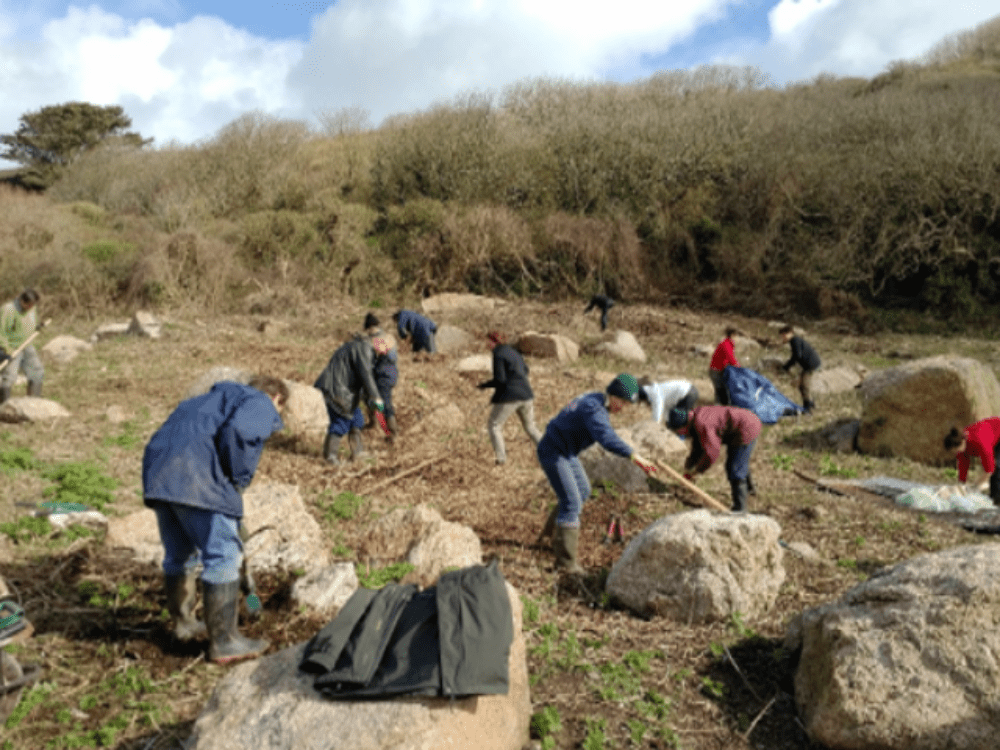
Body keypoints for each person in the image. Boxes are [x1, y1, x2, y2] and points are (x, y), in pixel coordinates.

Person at [142, 375, 288, 664]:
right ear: (276, 398)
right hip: (197, 478)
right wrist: (237, 480)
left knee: (180, 554)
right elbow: (241, 431)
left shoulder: (202, 402)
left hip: (160, 476)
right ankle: (225, 641)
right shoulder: (258, 401)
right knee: (224, 555)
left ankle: (184, 624)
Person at [536, 374, 656, 572]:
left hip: (566, 452)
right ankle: (566, 563)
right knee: (572, 501)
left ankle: (550, 538)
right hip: (554, 451)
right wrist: (634, 456)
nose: (623, 407)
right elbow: (606, 437)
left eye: (627, 404)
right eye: (622, 402)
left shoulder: (597, 400)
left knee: (583, 491)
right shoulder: (593, 408)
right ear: (613, 394)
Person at [668, 405, 761, 513]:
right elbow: (698, 447)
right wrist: (689, 468)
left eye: (677, 431)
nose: (678, 433)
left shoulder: (703, 424)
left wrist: (698, 470)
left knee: (735, 467)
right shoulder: (696, 418)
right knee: (739, 461)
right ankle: (749, 489)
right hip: (742, 424)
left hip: (747, 427)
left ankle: (740, 508)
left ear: (683, 426)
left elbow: (711, 453)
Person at [314, 335, 387, 465]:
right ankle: (330, 456)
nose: (385, 351)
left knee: (357, 420)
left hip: (346, 391)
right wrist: (376, 397)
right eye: (384, 347)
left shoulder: (362, 349)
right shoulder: (364, 348)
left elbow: (362, 381)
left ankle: (357, 453)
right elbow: (366, 376)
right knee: (341, 422)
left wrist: (370, 403)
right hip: (337, 389)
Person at [478, 331, 543, 465]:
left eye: (487, 341)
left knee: (494, 425)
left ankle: (501, 459)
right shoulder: (514, 351)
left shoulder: (498, 354)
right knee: (531, 427)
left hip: (510, 397)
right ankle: (550, 450)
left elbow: (500, 380)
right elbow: (526, 370)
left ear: (493, 341)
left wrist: (484, 385)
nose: (485, 344)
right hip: (526, 394)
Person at [0, 289, 43, 403]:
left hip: (27, 344)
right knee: (9, 376)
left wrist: (36, 327)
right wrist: (7, 349)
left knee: (37, 371)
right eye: (28, 305)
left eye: (33, 305)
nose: (31, 307)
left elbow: (30, 321)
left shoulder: (32, 307)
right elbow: (1, 333)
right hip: (11, 347)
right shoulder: (8, 310)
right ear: (21, 301)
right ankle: (4, 406)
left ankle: (33, 403)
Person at [362, 313, 400, 442]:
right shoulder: (388, 336)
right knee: (368, 395)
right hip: (390, 372)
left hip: (384, 374)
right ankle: (373, 423)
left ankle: (393, 432)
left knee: (384, 402)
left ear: (370, 328)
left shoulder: (377, 340)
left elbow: (377, 353)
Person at [945, 419, 1000, 505]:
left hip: (997, 432)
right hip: (991, 435)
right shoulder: (961, 446)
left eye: (956, 450)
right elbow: (963, 467)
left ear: (962, 443)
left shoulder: (979, 442)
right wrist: (962, 487)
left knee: (997, 469)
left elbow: (990, 469)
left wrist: (975, 487)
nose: (955, 453)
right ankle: (994, 499)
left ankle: (997, 501)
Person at [779, 325, 821, 414]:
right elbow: (797, 356)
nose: (783, 338)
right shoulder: (794, 341)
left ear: (790, 333)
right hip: (810, 364)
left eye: (783, 335)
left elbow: (797, 355)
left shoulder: (795, 340)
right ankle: (811, 404)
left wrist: (787, 366)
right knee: (802, 385)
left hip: (811, 364)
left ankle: (808, 408)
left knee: (804, 385)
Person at [708, 327, 740, 405]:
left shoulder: (728, 343)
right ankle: (718, 407)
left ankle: (722, 406)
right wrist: (739, 368)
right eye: (737, 335)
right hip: (716, 370)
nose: (738, 338)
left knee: (723, 390)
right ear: (733, 335)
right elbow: (731, 358)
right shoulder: (726, 344)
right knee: (720, 390)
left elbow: (731, 358)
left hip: (720, 369)